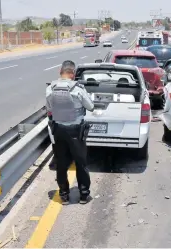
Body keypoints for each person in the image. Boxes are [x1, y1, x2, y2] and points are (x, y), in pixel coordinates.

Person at [46, 60, 94, 205]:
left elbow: (49, 108)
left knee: (61, 163)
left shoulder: (50, 89)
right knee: (81, 163)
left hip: (58, 130)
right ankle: (84, 195)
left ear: (60, 72)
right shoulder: (78, 89)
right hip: (75, 132)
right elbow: (90, 107)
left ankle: (64, 195)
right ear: (73, 74)